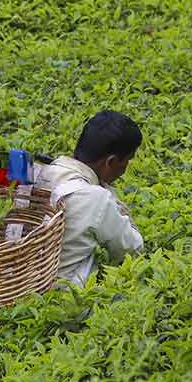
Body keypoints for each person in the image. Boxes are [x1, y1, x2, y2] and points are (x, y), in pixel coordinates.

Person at [35, 110, 144, 287]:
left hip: (13, 289)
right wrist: (113, 199)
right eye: (127, 161)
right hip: (67, 302)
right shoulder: (96, 197)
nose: (126, 168)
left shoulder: (39, 174)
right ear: (111, 162)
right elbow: (133, 249)